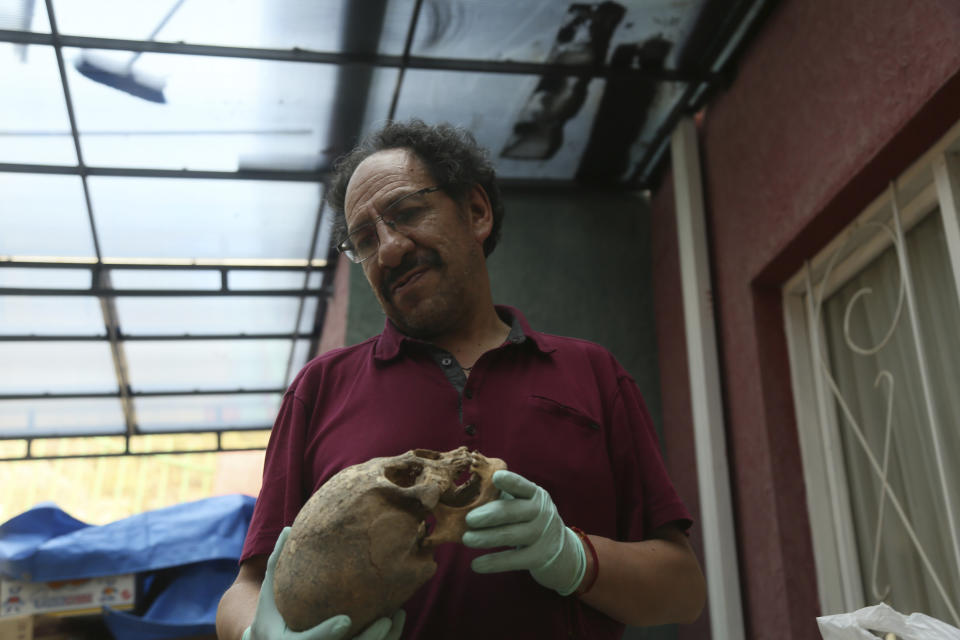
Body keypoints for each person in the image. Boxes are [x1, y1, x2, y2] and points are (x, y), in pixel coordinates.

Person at [216, 120, 705, 640]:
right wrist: (259, 636)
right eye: (363, 239)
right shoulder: (319, 389)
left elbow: (683, 590)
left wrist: (573, 556)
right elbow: (247, 587)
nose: (389, 250)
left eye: (406, 213)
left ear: (476, 212)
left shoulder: (593, 374)